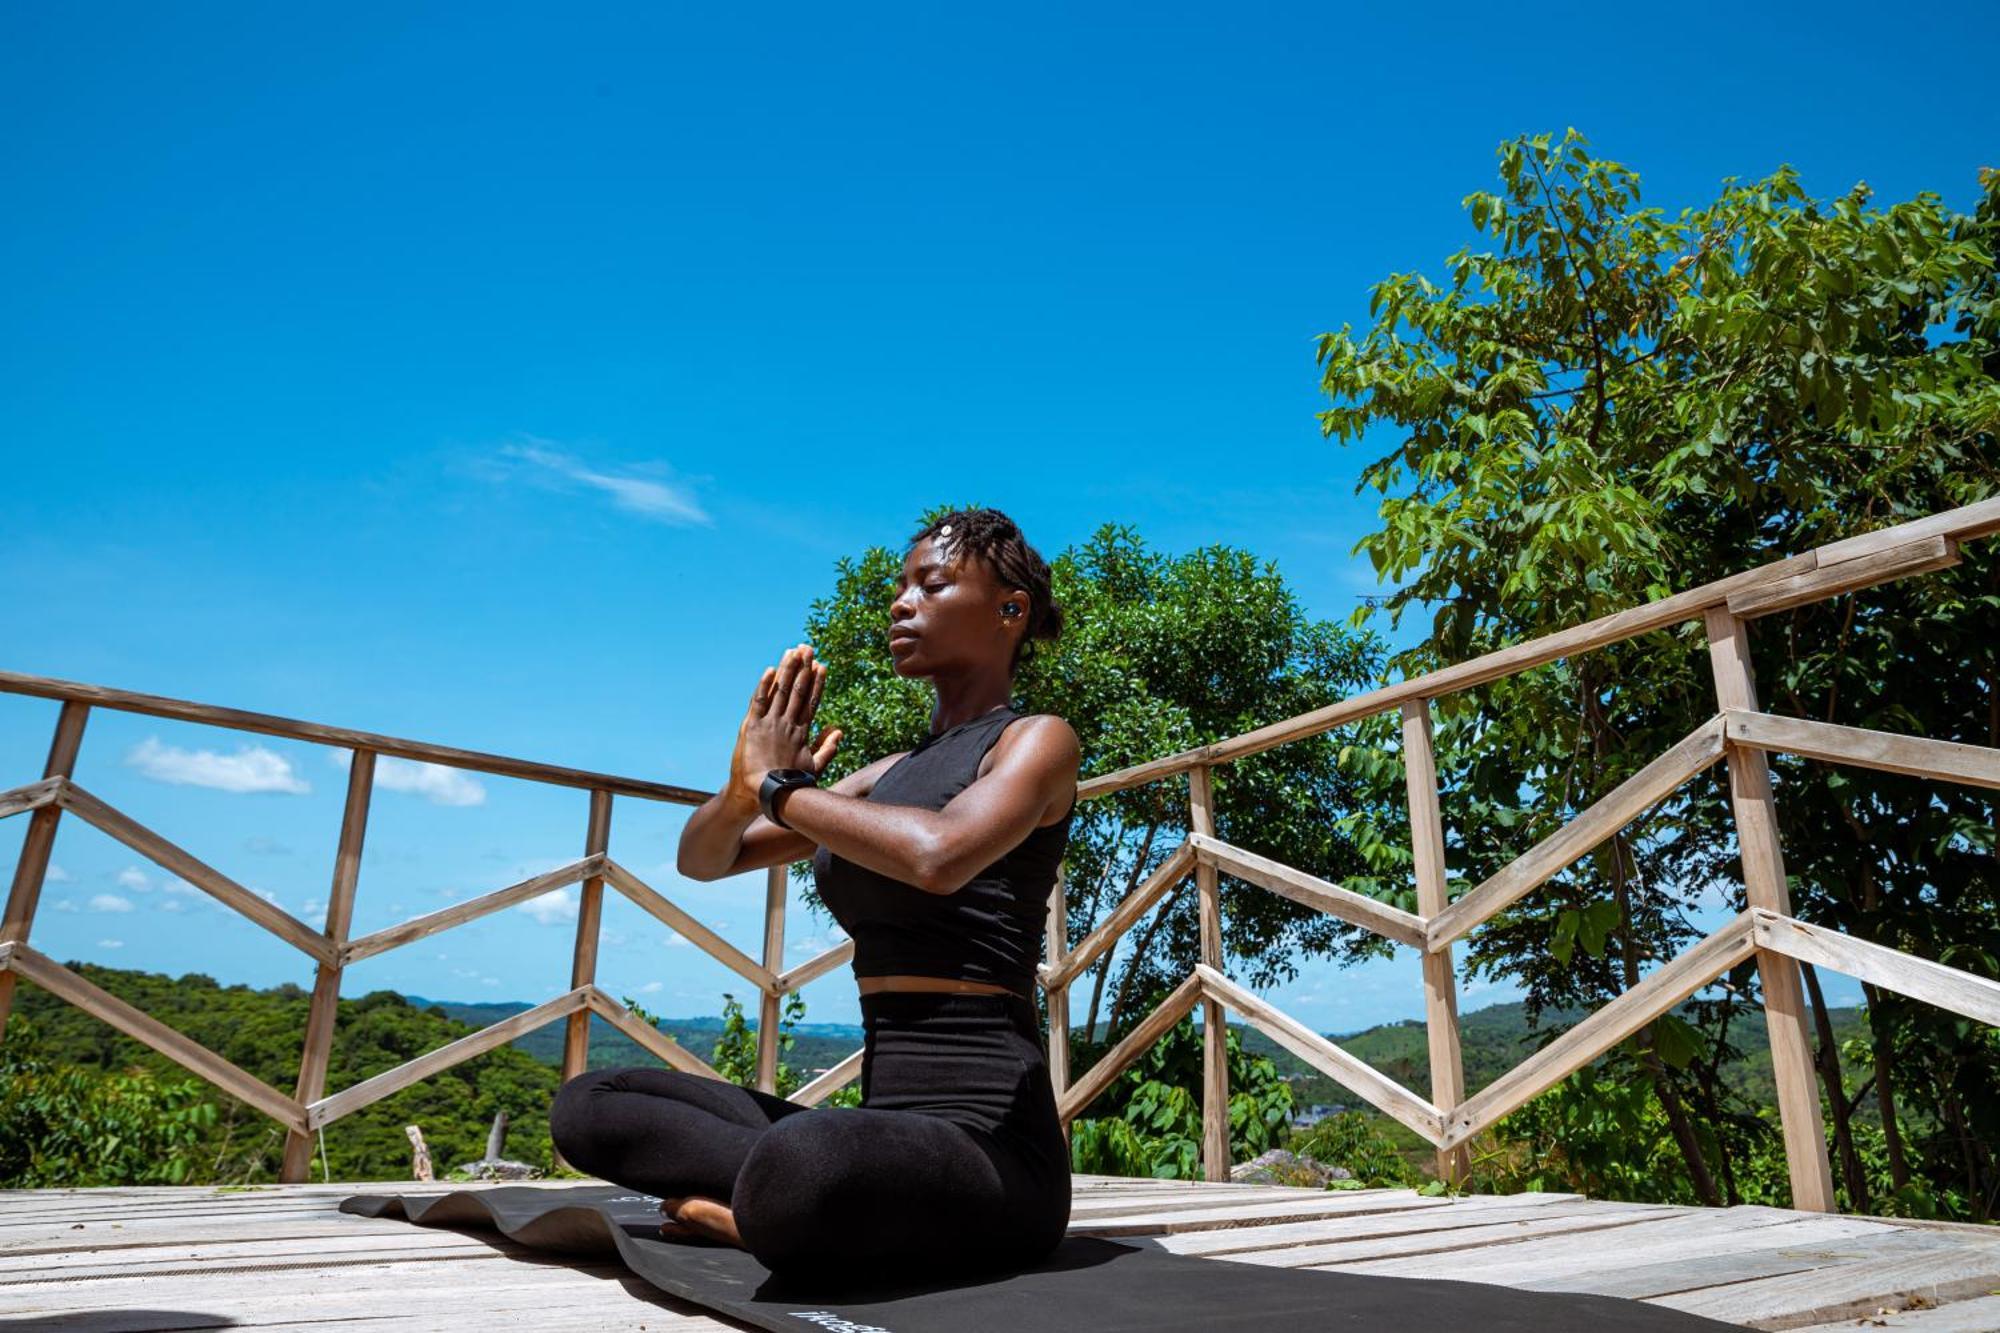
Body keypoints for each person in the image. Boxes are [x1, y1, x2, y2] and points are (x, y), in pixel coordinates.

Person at [548, 507, 1080, 1281]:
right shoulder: (885, 775)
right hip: (880, 1132)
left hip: (993, 1153)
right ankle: (779, 1200)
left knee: (809, 1159)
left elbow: (939, 855)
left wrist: (777, 788)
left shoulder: (1035, 740)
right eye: (901, 587)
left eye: (931, 585)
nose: (902, 602)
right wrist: (742, 791)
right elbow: (704, 859)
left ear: (1010, 609)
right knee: (593, 1099)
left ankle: (761, 1208)